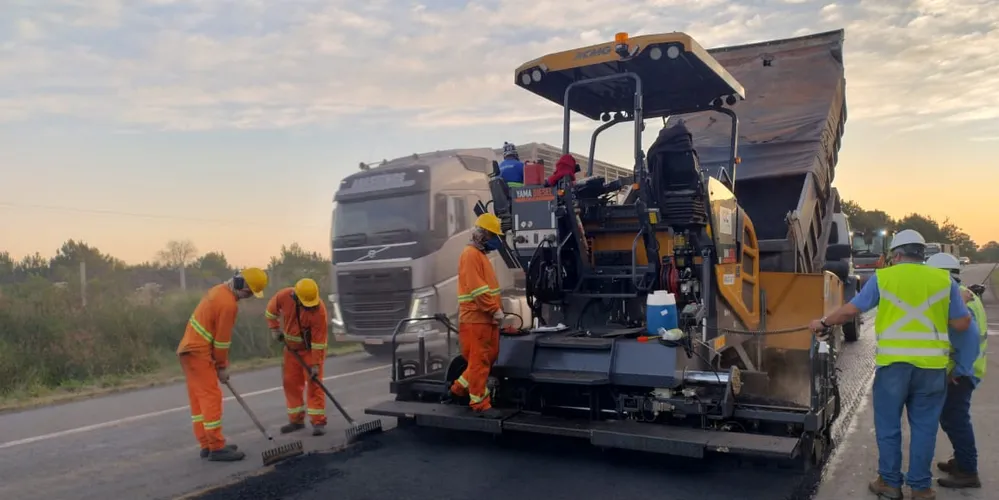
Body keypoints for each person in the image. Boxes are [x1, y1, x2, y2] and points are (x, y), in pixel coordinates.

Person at [807, 229, 973, 500]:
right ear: (922, 254)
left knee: (888, 427)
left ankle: (890, 483)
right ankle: (921, 488)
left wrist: (823, 322)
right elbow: (962, 323)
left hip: (894, 367)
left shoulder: (884, 278)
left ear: (896, 255)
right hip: (932, 368)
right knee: (925, 429)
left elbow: (851, 310)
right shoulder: (944, 280)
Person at [177, 267, 269, 462]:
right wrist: (221, 366)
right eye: (249, 293)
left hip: (187, 350)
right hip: (199, 352)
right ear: (241, 285)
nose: (249, 297)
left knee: (199, 398)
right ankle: (217, 447)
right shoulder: (228, 305)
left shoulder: (218, 290)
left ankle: (206, 444)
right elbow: (222, 342)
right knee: (211, 397)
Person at [926, 252, 986, 489]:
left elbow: (969, 339)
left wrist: (959, 371)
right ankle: (961, 460)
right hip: (967, 369)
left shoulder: (957, 300)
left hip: (961, 373)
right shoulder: (964, 295)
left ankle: (968, 471)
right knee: (952, 419)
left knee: (956, 420)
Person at [447, 213, 506, 418]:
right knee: (480, 361)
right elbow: (478, 289)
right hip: (477, 319)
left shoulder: (478, 255)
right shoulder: (471, 255)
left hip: (484, 319)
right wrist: (494, 309)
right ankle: (480, 403)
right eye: (494, 236)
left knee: (484, 359)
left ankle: (459, 388)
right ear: (483, 235)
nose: (496, 241)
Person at [265, 278, 331, 436]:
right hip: (291, 351)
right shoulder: (283, 296)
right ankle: (296, 420)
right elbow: (270, 312)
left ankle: (318, 422)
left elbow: (319, 341)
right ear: (296, 297)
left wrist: (315, 364)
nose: (310, 307)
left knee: (314, 384)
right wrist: (274, 329)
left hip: (310, 351)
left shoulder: (319, 310)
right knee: (291, 384)